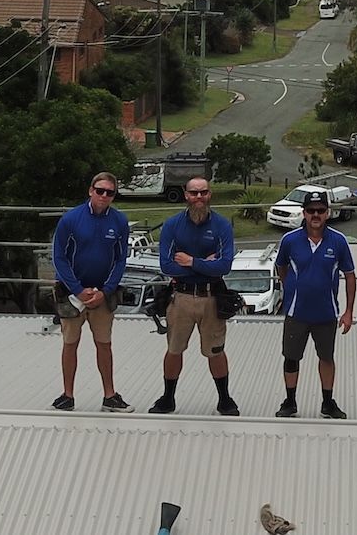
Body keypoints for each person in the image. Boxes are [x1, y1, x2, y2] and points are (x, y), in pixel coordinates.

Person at [150, 177, 241, 416]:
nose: (198, 198)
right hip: (180, 298)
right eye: (194, 193)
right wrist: (204, 264)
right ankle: (168, 398)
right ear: (185, 195)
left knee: (215, 350)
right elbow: (167, 266)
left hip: (212, 299)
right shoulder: (171, 226)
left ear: (210, 194)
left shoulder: (222, 226)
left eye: (203, 193)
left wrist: (190, 261)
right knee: (174, 349)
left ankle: (224, 399)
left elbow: (225, 266)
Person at [50, 171, 132, 413]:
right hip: (72, 293)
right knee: (70, 343)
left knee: (104, 344)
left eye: (110, 192)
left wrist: (105, 291)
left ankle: (110, 396)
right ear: (90, 191)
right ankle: (67, 395)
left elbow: (120, 260)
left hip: (102, 296)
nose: (104, 196)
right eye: (100, 191)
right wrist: (78, 289)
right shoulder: (70, 219)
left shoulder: (119, 222)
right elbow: (59, 257)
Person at [271, 190, 357, 419]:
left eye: (320, 211)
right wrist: (290, 286)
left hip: (326, 313)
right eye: (311, 211)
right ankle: (290, 401)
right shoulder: (290, 240)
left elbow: (349, 275)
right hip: (295, 312)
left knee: (326, 357)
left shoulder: (338, 241)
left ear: (327, 213)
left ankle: (328, 402)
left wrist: (348, 312)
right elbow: (281, 267)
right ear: (304, 213)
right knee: (291, 357)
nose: (315, 215)